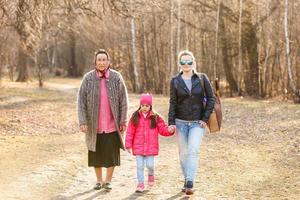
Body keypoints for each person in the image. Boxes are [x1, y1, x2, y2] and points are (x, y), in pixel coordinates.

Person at [77, 49, 128, 191]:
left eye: (104, 60)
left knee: (112, 155)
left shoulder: (116, 77)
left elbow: (124, 101)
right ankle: (99, 180)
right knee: (96, 154)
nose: (101, 62)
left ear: (108, 62)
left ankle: (108, 181)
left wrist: (123, 120)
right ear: (95, 62)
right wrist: (83, 121)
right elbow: (81, 101)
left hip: (112, 125)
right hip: (94, 126)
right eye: (99, 60)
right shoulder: (88, 78)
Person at [168, 50, 215, 195]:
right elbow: (173, 102)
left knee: (193, 151)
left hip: (197, 123)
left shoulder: (202, 78)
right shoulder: (175, 81)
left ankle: (189, 182)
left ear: (193, 62)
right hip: (180, 122)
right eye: (183, 62)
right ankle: (186, 179)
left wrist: (204, 119)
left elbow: (211, 98)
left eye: (189, 61)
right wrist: (171, 122)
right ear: (179, 64)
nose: (186, 64)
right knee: (183, 154)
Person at [125, 93, 175, 193]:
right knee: (139, 166)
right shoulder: (135, 117)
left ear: (150, 106)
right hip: (138, 147)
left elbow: (162, 129)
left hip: (150, 148)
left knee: (150, 165)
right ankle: (140, 183)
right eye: (142, 105)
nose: (144, 108)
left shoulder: (155, 118)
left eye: (147, 106)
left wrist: (170, 131)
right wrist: (128, 145)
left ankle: (151, 174)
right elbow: (130, 132)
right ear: (140, 105)